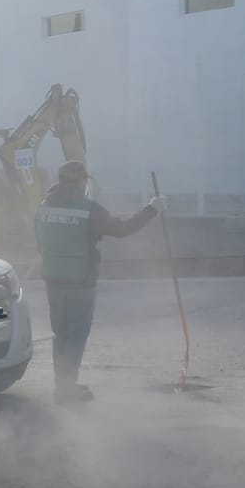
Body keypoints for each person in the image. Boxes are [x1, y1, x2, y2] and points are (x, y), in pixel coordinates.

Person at [34, 160, 165, 403]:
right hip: (79, 281)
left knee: (60, 334)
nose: (86, 184)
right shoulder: (88, 209)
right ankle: (66, 389)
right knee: (76, 335)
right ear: (80, 181)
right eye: (84, 180)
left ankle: (61, 385)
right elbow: (123, 228)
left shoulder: (43, 207)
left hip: (52, 279)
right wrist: (152, 210)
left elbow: (39, 241)